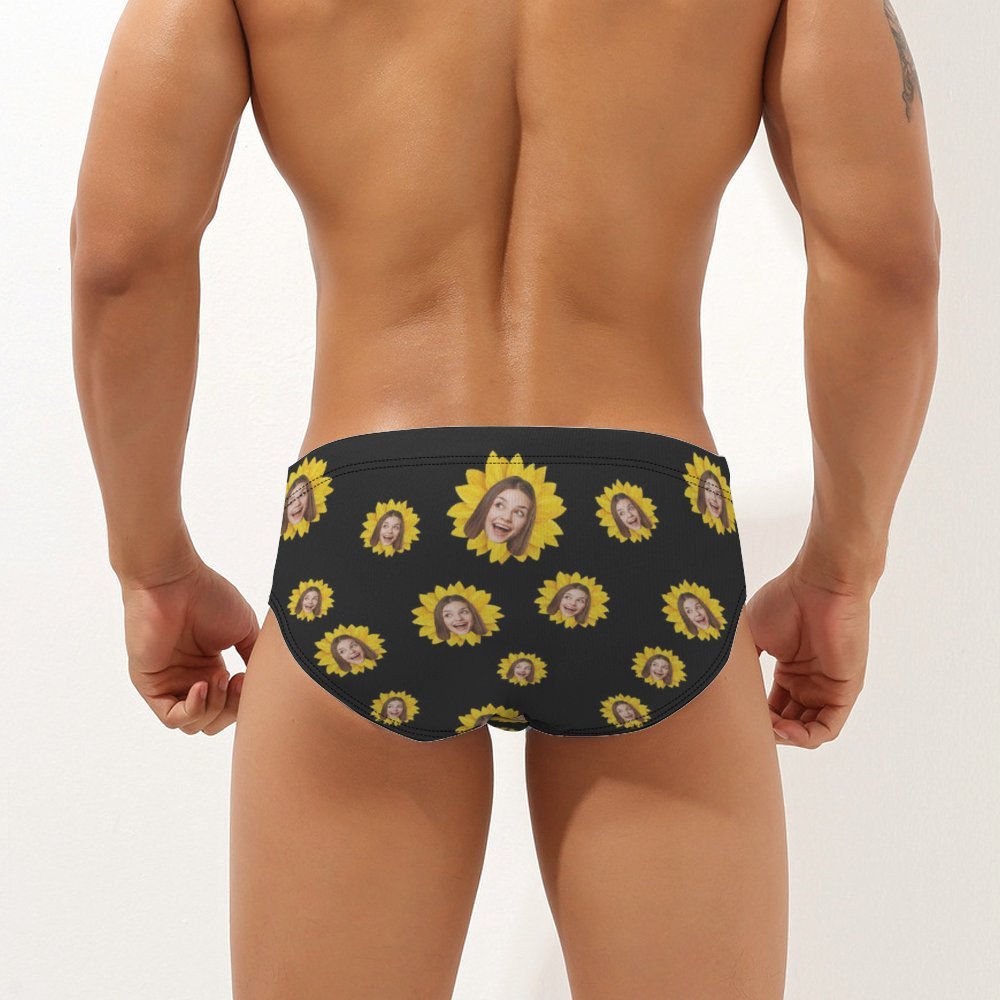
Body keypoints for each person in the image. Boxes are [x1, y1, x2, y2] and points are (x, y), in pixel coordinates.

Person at [69, 0, 939, 995]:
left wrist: (154, 566)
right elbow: (890, 263)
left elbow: (121, 258)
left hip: (372, 533)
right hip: (647, 535)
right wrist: (839, 570)